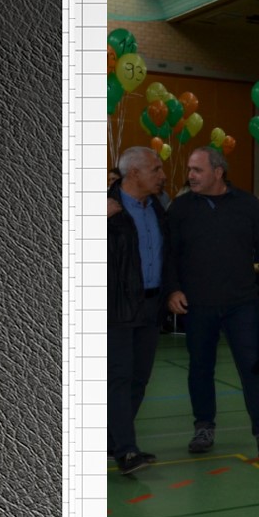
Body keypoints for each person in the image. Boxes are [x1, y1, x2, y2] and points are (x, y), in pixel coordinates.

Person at [163, 146, 259, 459]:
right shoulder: (180, 208)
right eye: (190, 170)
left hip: (242, 303)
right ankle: (203, 427)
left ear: (218, 172)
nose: (191, 175)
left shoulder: (247, 204)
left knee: (253, 366)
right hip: (197, 304)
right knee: (200, 368)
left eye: (198, 170)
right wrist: (172, 290)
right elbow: (169, 254)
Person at [107, 146, 167, 475]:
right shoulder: (104, 206)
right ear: (134, 173)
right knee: (119, 376)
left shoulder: (157, 208)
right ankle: (126, 450)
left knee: (140, 378)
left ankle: (113, 440)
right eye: (156, 169)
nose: (162, 175)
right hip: (116, 305)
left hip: (151, 304)